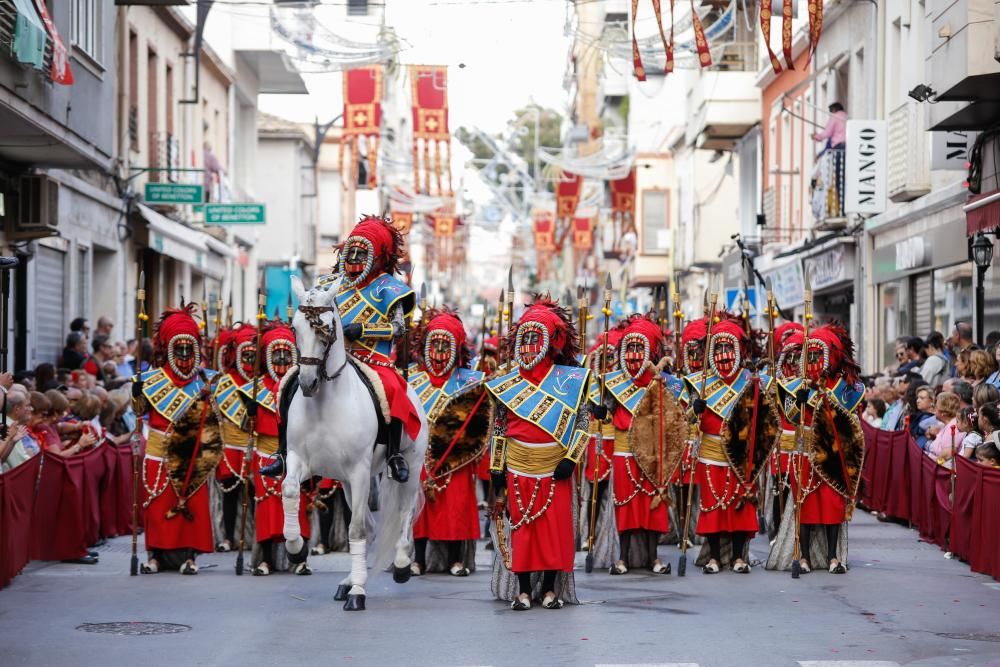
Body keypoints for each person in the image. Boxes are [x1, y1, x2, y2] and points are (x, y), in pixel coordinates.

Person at [262, 215, 420, 482]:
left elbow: (399, 329)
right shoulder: (329, 285)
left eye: (361, 256)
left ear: (375, 257)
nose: (354, 262)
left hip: (373, 357)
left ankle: (393, 454)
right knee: (286, 384)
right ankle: (282, 451)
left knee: (393, 390)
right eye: (351, 255)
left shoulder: (390, 289)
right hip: (330, 355)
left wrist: (365, 330)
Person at [487, 296, 590, 610]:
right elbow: (499, 426)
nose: (529, 345)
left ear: (550, 342)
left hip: (554, 464)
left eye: (536, 338)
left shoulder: (571, 380)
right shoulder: (507, 384)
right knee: (523, 529)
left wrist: (571, 458)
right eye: (525, 338)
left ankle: (548, 588)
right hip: (518, 465)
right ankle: (521, 589)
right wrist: (496, 466)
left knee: (552, 530)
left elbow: (582, 421)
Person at [769, 323, 865, 575]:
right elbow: (788, 416)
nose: (811, 361)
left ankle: (834, 556)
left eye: (816, 355)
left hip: (832, 451)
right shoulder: (795, 384)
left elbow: (850, 421)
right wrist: (798, 400)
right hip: (803, 449)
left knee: (833, 504)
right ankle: (804, 557)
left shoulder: (848, 387)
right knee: (805, 503)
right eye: (807, 356)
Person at [133, 305, 220, 575]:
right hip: (158, 451)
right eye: (179, 349)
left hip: (191, 452)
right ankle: (155, 556)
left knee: (191, 508)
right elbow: (139, 413)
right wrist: (137, 394)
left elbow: (216, 424)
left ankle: (191, 556)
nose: (184, 355)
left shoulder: (209, 381)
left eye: (189, 350)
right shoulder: (149, 380)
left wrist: (209, 401)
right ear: (168, 351)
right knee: (157, 506)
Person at [687, 314, 776, 574]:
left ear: (738, 351)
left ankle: (739, 556)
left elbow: (767, 420)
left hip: (742, 454)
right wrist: (696, 410)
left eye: (729, 347)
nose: (724, 353)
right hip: (710, 451)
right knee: (712, 506)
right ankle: (714, 557)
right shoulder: (700, 383)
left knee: (741, 504)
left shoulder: (752, 381)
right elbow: (685, 422)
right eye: (719, 348)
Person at [409, 309, 485, 577]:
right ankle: (418, 558)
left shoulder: (469, 383)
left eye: (445, 345)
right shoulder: (413, 380)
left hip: (456, 456)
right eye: (434, 344)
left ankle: (455, 559)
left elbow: (479, 423)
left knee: (455, 508)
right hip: (421, 454)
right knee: (419, 510)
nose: (439, 352)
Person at [598, 314, 672, 575]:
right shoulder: (614, 383)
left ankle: (653, 558)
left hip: (651, 454)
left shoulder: (660, 383)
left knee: (653, 506)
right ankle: (623, 558)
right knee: (625, 506)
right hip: (623, 454)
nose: (634, 354)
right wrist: (599, 411)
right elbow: (605, 412)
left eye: (640, 348)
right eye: (630, 347)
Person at [243, 322, 310, 576]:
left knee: (297, 510)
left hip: (295, 456)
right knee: (267, 512)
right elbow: (247, 427)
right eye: (276, 353)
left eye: (285, 353)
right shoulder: (255, 388)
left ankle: (300, 560)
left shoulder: (303, 385)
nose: (281, 359)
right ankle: (265, 560)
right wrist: (249, 413)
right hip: (265, 454)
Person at [212, 323, 252, 554]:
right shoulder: (224, 382)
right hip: (230, 447)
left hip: (254, 446)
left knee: (255, 495)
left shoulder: (262, 381)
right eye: (245, 355)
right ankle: (227, 536)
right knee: (230, 493)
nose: (248, 359)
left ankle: (251, 535)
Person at [926, 392, 964, 469]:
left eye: (935, 407)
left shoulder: (954, 427)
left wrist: (929, 466)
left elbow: (947, 454)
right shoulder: (947, 424)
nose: (933, 409)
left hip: (939, 470)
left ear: (943, 413)